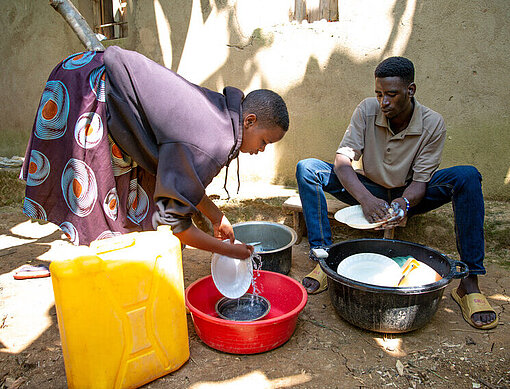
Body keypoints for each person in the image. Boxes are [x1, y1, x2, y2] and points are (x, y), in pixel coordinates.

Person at [21, 46, 289, 260]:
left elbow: (184, 181)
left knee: (141, 205)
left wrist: (216, 216)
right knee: (97, 203)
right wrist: (229, 251)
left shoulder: (223, 116)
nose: (261, 150)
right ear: (249, 121)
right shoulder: (213, 144)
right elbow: (176, 224)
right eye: (264, 141)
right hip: (89, 87)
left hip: (103, 80)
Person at [296, 56, 498, 330]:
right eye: (379, 94)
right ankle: (323, 259)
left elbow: (420, 183)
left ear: (410, 90)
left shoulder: (432, 123)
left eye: (391, 94)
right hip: (371, 189)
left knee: (467, 176)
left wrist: (403, 202)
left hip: (412, 192)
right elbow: (342, 164)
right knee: (308, 168)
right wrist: (366, 199)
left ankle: (469, 283)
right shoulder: (367, 110)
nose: (383, 102)